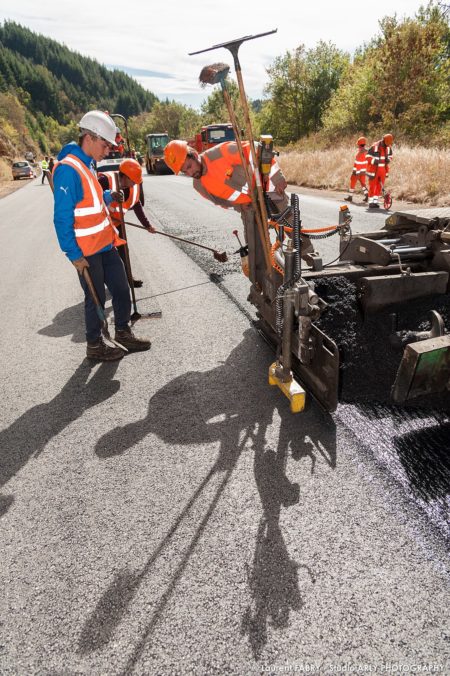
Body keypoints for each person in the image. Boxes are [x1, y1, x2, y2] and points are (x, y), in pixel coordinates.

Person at [52, 110, 151, 361]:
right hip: (86, 250)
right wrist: (74, 255)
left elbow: (91, 200)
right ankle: (95, 346)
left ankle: (123, 332)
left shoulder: (88, 164)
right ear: (90, 137)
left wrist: (108, 197)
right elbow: (62, 218)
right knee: (93, 298)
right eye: (105, 145)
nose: (108, 151)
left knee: (120, 287)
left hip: (105, 244)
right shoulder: (68, 169)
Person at [163, 139, 314, 260]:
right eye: (185, 171)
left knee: (290, 224)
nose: (190, 173)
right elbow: (220, 201)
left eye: (189, 166)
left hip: (267, 189)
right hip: (248, 206)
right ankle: (266, 276)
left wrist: (276, 176)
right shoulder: (199, 185)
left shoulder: (219, 153)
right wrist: (238, 206)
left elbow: (256, 149)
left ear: (195, 155)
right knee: (253, 247)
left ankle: (309, 259)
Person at [98, 158, 155, 288]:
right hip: (101, 227)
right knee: (104, 257)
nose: (134, 185)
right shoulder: (105, 181)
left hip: (118, 225)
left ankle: (128, 279)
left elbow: (137, 206)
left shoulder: (133, 188)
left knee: (124, 252)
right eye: (133, 181)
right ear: (125, 176)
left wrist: (147, 225)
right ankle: (103, 283)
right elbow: (92, 199)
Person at [366, 133, 394, 209]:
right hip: (374, 169)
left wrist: (389, 159)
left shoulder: (388, 147)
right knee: (372, 186)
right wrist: (374, 161)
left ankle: (375, 202)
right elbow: (367, 156)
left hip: (383, 170)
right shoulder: (375, 146)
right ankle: (371, 202)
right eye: (387, 143)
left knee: (379, 187)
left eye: (389, 143)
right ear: (384, 140)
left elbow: (391, 156)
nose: (388, 145)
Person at [344, 137, 368, 203]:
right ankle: (367, 195)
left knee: (352, 183)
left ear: (359, 144)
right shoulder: (367, 152)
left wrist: (356, 173)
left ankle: (350, 197)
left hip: (357, 172)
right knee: (363, 184)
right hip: (363, 171)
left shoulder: (359, 153)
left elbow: (358, 164)